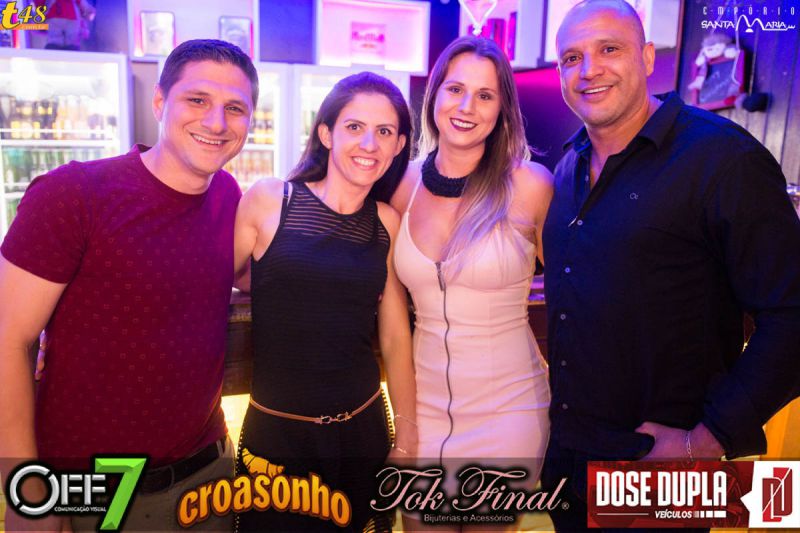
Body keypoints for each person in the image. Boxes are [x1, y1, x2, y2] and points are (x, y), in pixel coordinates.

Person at [542, 1, 800, 530]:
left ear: (646, 57)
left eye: (608, 49)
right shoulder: (567, 167)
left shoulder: (722, 159)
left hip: (664, 468)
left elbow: (794, 315)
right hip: (570, 459)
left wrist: (704, 442)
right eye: (572, 57)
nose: (588, 69)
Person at [0, 39, 258, 532]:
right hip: (95, 486)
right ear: (159, 102)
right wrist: (28, 493)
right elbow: (7, 339)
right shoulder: (74, 194)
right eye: (197, 100)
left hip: (208, 474)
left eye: (235, 108)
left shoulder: (228, 195)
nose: (216, 122)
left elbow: (251, 274)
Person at [232, 71, 416, 531]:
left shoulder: (388, 223)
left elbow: (396, 337)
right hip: (277, 438)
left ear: (399, 146)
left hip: (364, 430)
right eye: (355, 127)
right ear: (326, 133)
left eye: (384, 132)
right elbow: (215, 285)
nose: (369, 144)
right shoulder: (269, 200)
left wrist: (407, 437)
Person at [390, 36, 553, 530]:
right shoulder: (400, 184)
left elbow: (579, 292)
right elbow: (388, 314)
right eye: (455, 89)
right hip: (423, 411)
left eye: (485, 95)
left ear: (502, 109)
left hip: (510, 410)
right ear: (434, 95)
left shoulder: (531, 186)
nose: (466, 107)